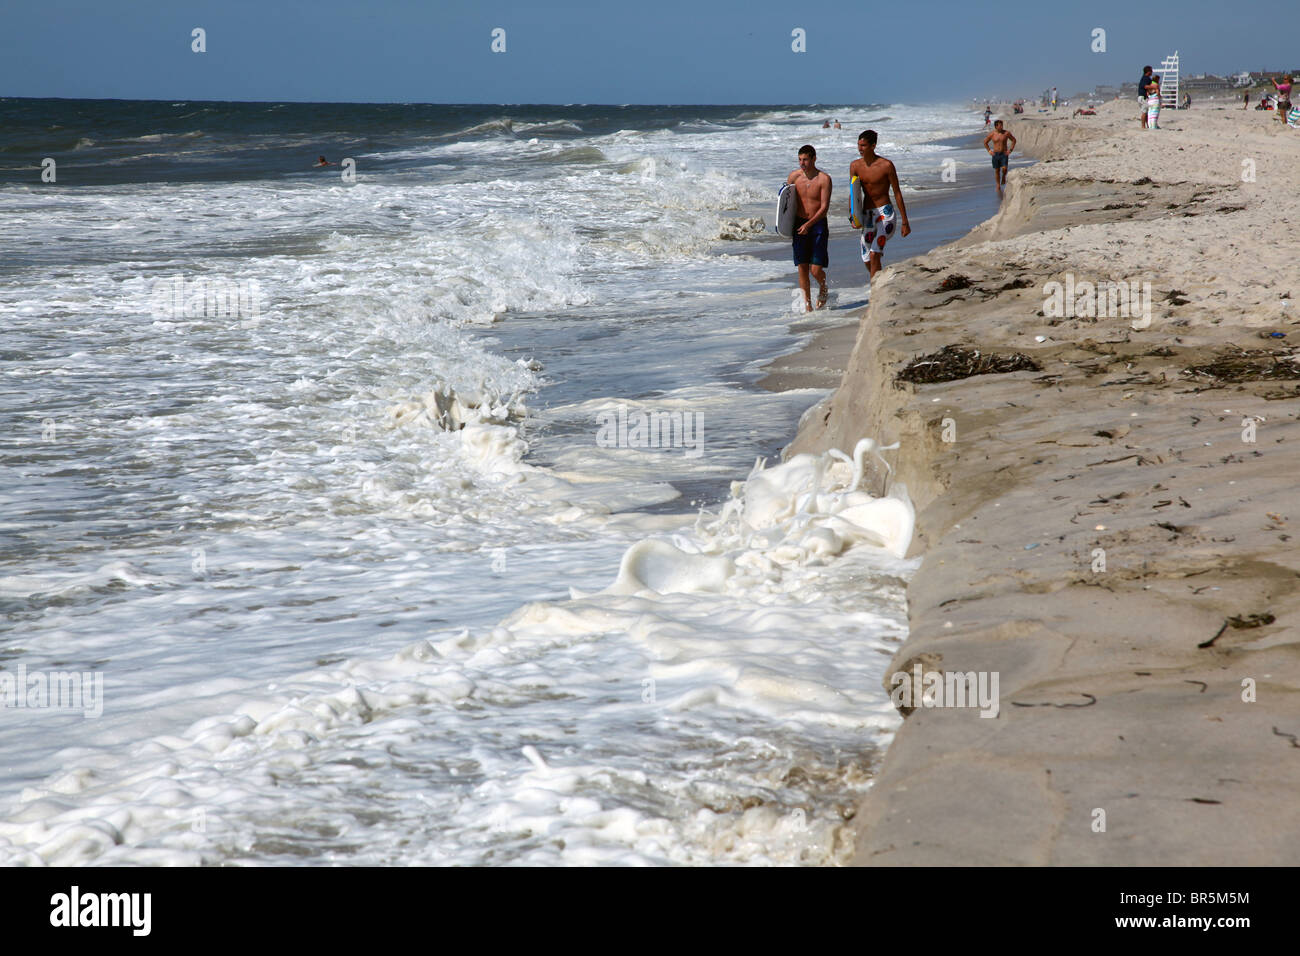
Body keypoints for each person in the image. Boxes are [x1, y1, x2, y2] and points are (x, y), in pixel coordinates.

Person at [848, 130, 910, 285]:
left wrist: (905, 221)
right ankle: (883, 283)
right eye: (858, 145)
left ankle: (875, 292)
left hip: (885, 213)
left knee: (875, 254)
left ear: (873, 146)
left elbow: (897, 192)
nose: (860, 148)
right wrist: (853, 217)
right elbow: (853, 194)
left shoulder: (886, 165)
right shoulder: (855, 166)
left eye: (863, 145)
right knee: (866, 257)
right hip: (868, 215)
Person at [786, 145, 832, 310]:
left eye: (805, 159)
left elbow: (824, 207)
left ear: (814, 158)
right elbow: (785, 202)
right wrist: (786, 225)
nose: (802, 163)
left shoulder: (824, 179)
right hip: (799, 224)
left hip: (817, 224)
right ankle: (808, 306)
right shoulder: (794, 177)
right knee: (802, 267)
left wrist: (809, 224)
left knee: (815, 270)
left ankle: (823, 287)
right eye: (799, 159)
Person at [983, 119, 1016, 197]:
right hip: (995, 154)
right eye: (999, 125)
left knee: (1004, 168)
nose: (1001, 126)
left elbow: (1014, 140)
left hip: (1004, 153)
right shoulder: (992, 134)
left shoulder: (1006, 133)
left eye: (1002, 125)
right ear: (996, 126)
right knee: (997, 170)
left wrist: (1010, 150)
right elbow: (985, 142)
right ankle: (998, 184)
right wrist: (989, 151)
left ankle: (1004, 176)